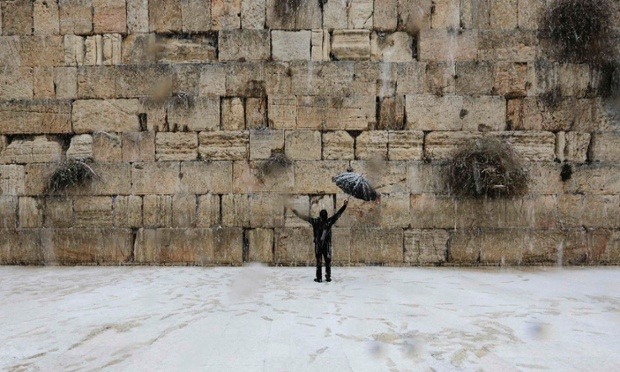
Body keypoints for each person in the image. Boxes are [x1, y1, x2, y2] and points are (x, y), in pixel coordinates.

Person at [291, 200, 348, 283]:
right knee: (328, 261)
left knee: (319, 262)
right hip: (327, 245)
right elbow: (338, 214)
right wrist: (344, 205)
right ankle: (328, 277)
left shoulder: (315, 221)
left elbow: (303, 217)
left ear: (320, 216)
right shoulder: (329, 221)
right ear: (327, 216)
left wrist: (293, 210)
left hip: (318, 245)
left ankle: (319, 278)